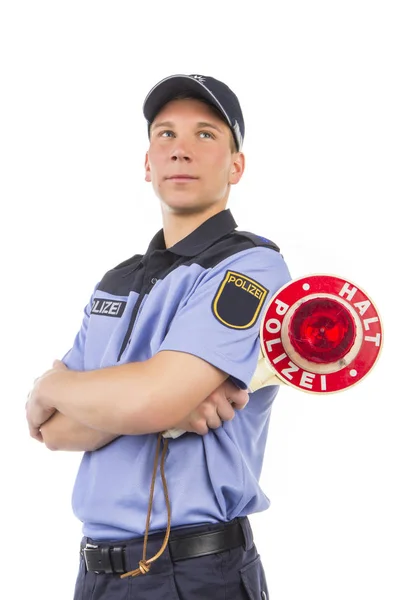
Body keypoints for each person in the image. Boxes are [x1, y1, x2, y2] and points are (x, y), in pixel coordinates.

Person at [26, 73, 291, 599]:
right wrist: (142, 402)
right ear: (147, 163)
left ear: (236, 166)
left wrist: (51, 388)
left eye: (206, 135)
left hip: (194, 572)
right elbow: (55, 432)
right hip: (96, 574)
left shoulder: (250, 265)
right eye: (165, 134)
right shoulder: (116, 281)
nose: (181, 151)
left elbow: (152, 399)